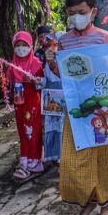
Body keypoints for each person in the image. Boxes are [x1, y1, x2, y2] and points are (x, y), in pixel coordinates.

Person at [45, 0, 108, 215]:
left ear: (93, 12)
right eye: (71, 13)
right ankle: (87, 204)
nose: (76, 17)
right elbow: (62, 74)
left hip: (101, 108)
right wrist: (50, 61)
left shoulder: (104, 38)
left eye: (81, 12)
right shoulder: (63, 41)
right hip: (75, 109)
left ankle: (106, 206)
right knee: (75, 157)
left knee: (104, 156)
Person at [9, 31, 45, 182]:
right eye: (18, 46)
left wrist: (34, 80)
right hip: (19, 104)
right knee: (23, 131)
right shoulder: (12, 66)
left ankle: (34, 161)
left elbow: (43, 83)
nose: (21, 48)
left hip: (33, 103)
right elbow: (9, 85)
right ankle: (24, 160)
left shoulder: (36, 63)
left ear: (30, 46)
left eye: (24, 45)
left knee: (33, 130)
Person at [42, 31, 65, 167]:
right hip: (50, 97)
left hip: (63, 98)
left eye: (55, 44)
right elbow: (46, 78)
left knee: (62, 127)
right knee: (52, 126)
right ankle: (53, 154)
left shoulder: (64, 60)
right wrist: (39, 81)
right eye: (49, 44)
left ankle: (63, 156)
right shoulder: (47, 61)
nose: (52, 47)